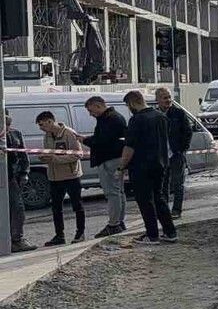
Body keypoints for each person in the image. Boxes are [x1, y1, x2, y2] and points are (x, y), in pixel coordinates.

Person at [119, 90, 176, 243]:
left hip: (141, 166)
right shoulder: (160, 117)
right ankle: (170, 232)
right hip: (161, 164)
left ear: (132, 103)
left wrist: (121, 167)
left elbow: (129, 147)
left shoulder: (137, 120)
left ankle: (152, 235)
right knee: (159, 198)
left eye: (128, 105)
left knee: (145, 201)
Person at [80, 96, 128, 238]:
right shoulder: (113, 117)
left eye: (91, 110)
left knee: (112, 193)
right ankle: (119, 221)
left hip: (109, 159)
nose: (90, 114)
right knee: (119, 192)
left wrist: (86, 140)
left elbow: (103, 141)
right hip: (114, 158)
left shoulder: (110, 119)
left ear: (98, 105)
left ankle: (114, 224)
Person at [36, 110, 86, 245]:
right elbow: (50, 152)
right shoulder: (47, 135)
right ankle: (59, 235)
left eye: (42, 125)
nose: (41, 128)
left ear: (50, 121)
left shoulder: (68, 133)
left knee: (77, 205)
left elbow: (78, 154)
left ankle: (80, 233)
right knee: (56, 207)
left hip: (71, 175)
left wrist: (56, 159)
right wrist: (45, 157)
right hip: (54, 176)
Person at [156, 88, 192, 218]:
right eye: (164, 98)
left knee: (178, 183)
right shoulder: (155, 115)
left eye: (169, 97)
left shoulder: (178, 113)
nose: (168, 100)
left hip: (176, 154)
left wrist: (182, 149)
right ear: (158, 100)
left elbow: (188, 131)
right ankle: (164, 211)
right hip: (161, 156)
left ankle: (177, 210)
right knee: (162, 185)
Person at [5, 109, 36, 253]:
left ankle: (16, 239)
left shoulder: (15, 134)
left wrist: (24, 173)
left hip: (12, 178)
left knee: (17, 208)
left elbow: (23, 156)